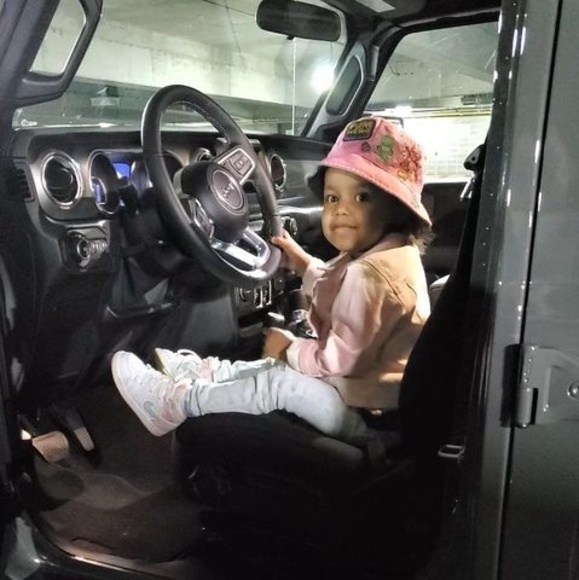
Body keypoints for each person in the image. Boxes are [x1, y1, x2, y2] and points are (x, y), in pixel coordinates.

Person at [111, 116, 432, 443]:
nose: (341, 210)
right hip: (380, 402)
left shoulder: (370, 275)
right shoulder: (389, 255)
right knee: (281, 368)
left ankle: (176, 403)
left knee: (278, 383)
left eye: (362, 197)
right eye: (333, 198)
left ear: (397, 208)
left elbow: (337, 362)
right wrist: (302, 262)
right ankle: (209, 374)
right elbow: (340, 288)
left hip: (369, 420)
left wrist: (290, 349)